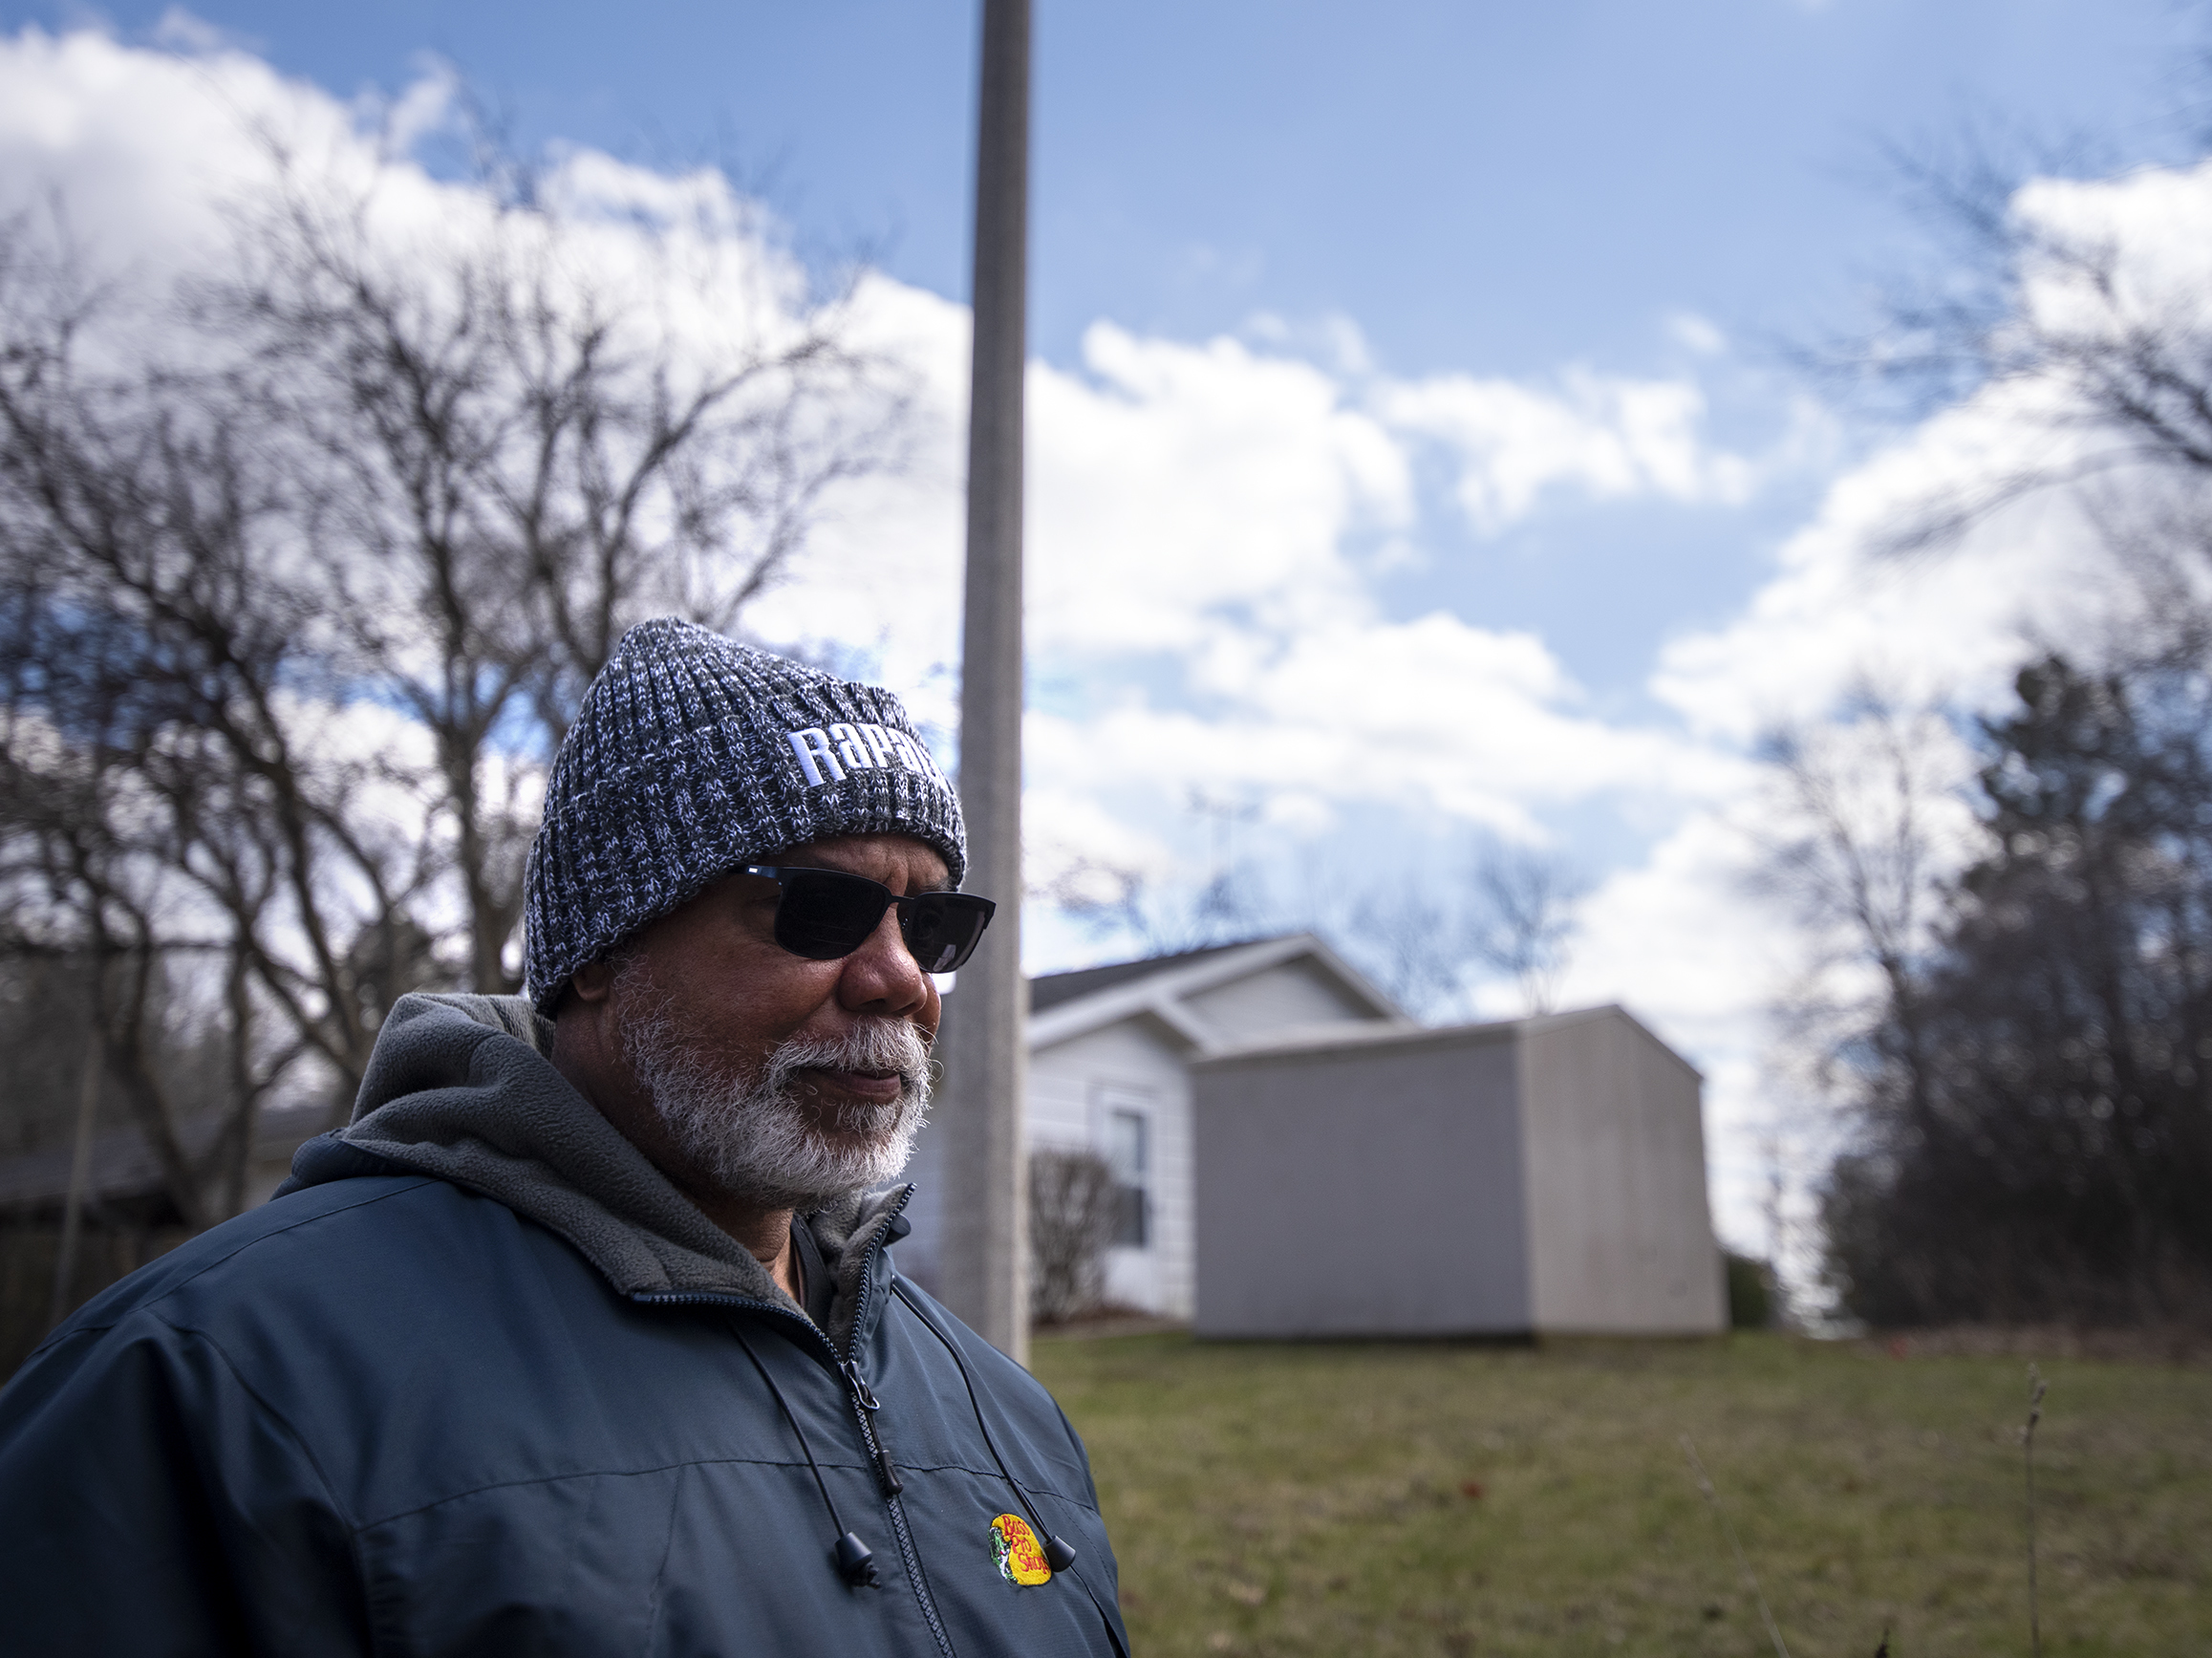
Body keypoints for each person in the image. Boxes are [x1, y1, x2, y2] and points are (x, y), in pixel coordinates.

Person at [0, 618, 1128, 1656]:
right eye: (817, 910)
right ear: (600, 949)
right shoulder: (216, 1384)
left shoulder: (1002, 1415)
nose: (899, 980)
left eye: (930, 925)